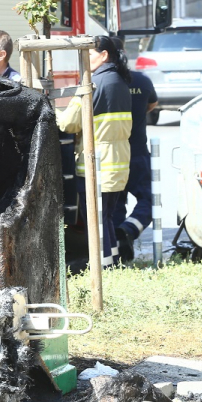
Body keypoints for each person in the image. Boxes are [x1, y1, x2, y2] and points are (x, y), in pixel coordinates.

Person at [55, 35, 132, 267]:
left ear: (104, 55)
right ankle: (113, 261)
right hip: (118, 163)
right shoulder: (119, 80)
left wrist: (53, 111)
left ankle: (103, 267)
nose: (84, 59)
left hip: (96, 164)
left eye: (88, 54)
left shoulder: (92, 84)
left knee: (96, 219)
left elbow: (68, 123)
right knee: (106, 216)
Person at [113, 69, 158, 262]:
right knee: (150, 201)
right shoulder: (141, 80)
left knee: (115, 205)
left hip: (112, 154)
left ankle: (117, 251)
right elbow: (152, 104)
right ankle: (128, 230)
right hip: (137, 152)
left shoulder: (100, 81)